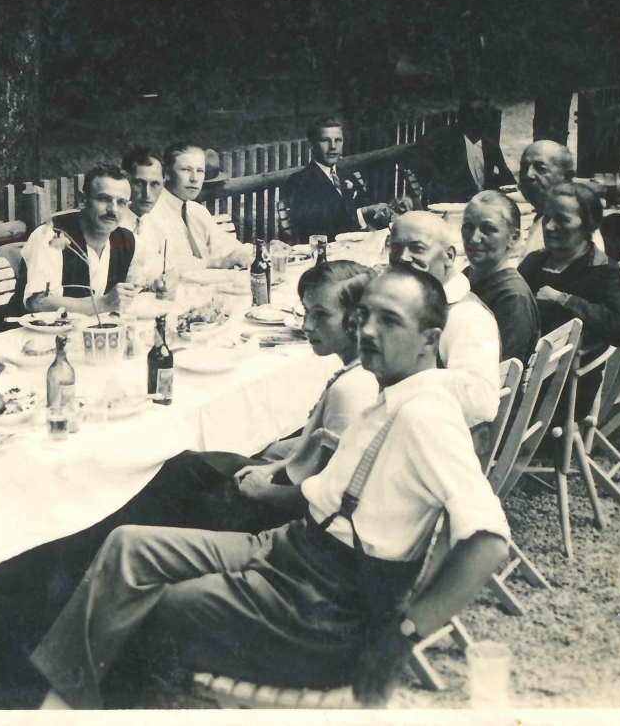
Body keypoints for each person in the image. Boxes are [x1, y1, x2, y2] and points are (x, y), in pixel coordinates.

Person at [30, 265, 511, 710]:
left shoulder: (426, 415)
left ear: (430, 339)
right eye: (363, 316)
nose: (366, 331)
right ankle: (68, 704)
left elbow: (488, 541)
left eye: (389, 321)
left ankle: (86, 702)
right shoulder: (389, 396)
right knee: (127, 546)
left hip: (325, 606)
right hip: (292, 550)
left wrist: (402, 637)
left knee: (161, 604)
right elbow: (331, 499)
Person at [125, 261, 379, 535]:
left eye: (321, 315)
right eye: (306, 311)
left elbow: (324, 498)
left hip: (287, 517)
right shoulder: (361, 369)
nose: (306, 325)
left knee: (173, 477)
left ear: (356, 320)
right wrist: (276, 467)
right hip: (286, 478)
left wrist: (264, 490)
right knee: (185, 465)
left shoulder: (352, 389)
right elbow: (313, 461)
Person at [518, 183, 620, 412]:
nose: (549, 227)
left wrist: (564, 300)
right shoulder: (535, 262)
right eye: (547, 218)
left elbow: (619, 327)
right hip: (526, 371)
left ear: (588, 225)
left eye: (562, 220)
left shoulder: (602, 270)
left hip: (569, 387)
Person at [388, 211, 501, 427]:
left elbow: (481, 401)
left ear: (449, 256)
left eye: (417, 248)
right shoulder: (426, 301)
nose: (402, 258)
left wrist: (403, 386)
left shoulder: (465, 315)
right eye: (395, 248)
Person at [21, 165, 140, 315]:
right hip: (29, 333)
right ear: (82, 199)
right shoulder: (51, 235)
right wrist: (102, 304)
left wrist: (164, 283)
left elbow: (151, 278)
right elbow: (38, 302)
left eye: (121, 202)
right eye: (103, 199)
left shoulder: (127, 240)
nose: (113, 210)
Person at [281, 116, 390, 242]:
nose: (333, 146)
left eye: (338, 140)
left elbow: (366, 204)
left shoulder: (347, 175)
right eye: (325, 140)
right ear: (311, 145)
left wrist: (384, 212)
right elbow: (315, 227)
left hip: (357, 245)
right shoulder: (299, 181)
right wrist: (363, 213)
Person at [461, 191, 539, 365]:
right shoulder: (464, 277)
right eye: (468, 226)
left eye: (488, 229)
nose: (474, 238)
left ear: (513, 238)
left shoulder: (513, 298)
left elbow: (504, 371)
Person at [145, 143, 252, 270]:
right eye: (186, 170)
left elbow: (227, 245)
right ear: (167, 173)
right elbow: (169, 265)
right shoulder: (152, 213)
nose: (194, 178)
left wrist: (264, 250)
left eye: (200, 171)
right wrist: (217, 263)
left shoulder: (196, 211)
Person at [403, 96, 515, 203]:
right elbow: (414, 155)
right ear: (461, 114)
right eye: (470, 112)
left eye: (480, 112)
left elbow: (508, 181)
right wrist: (439, 186)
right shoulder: (443, 138)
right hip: (452, 206)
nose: (475, 117)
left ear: (487, 115)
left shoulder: (490, 145)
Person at [515, 140, 604, 259]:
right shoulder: (542, 219)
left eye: (541, 168)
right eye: (524, 168)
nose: (528, 175)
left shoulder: (576, 234)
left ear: (567, 177)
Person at [118, 147, 175, 294]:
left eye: (154, 184)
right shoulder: (111, 223)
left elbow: (168, 270)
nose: (147, 194)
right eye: (139, 183)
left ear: (163, 183)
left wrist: (166, 282)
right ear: (125, 180)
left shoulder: (155, 222)